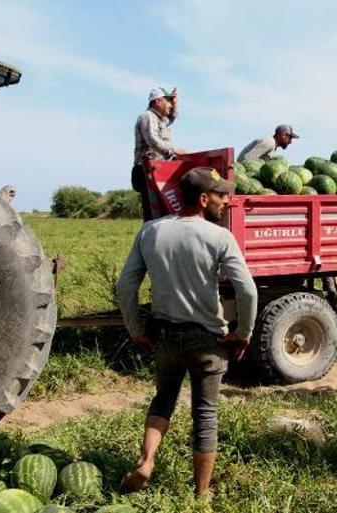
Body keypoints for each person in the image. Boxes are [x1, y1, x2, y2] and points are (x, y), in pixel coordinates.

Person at [116, 167, 258, 498]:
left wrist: (136, 328)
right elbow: (247, 291)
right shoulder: (219, 237)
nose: (226, 200)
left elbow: (126, 287)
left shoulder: (150, 231)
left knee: (163, 400)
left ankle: (146, 461)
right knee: (205, 415)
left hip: (165, 336)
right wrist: (243, 332)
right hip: (208, 341)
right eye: (221, 195)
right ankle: (201, 493)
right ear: (203, 198)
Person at [131, 86, 182, 221]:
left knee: (163, 213)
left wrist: (175, 103)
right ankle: (150, 239)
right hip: (146, 170)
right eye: (168, 101)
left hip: (157, 171)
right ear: (158, 101)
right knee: (154, 215)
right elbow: (153, 140)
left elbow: (172, 117)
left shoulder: (159, 119)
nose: (170, 105)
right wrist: (173, 151)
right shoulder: (147, 117)